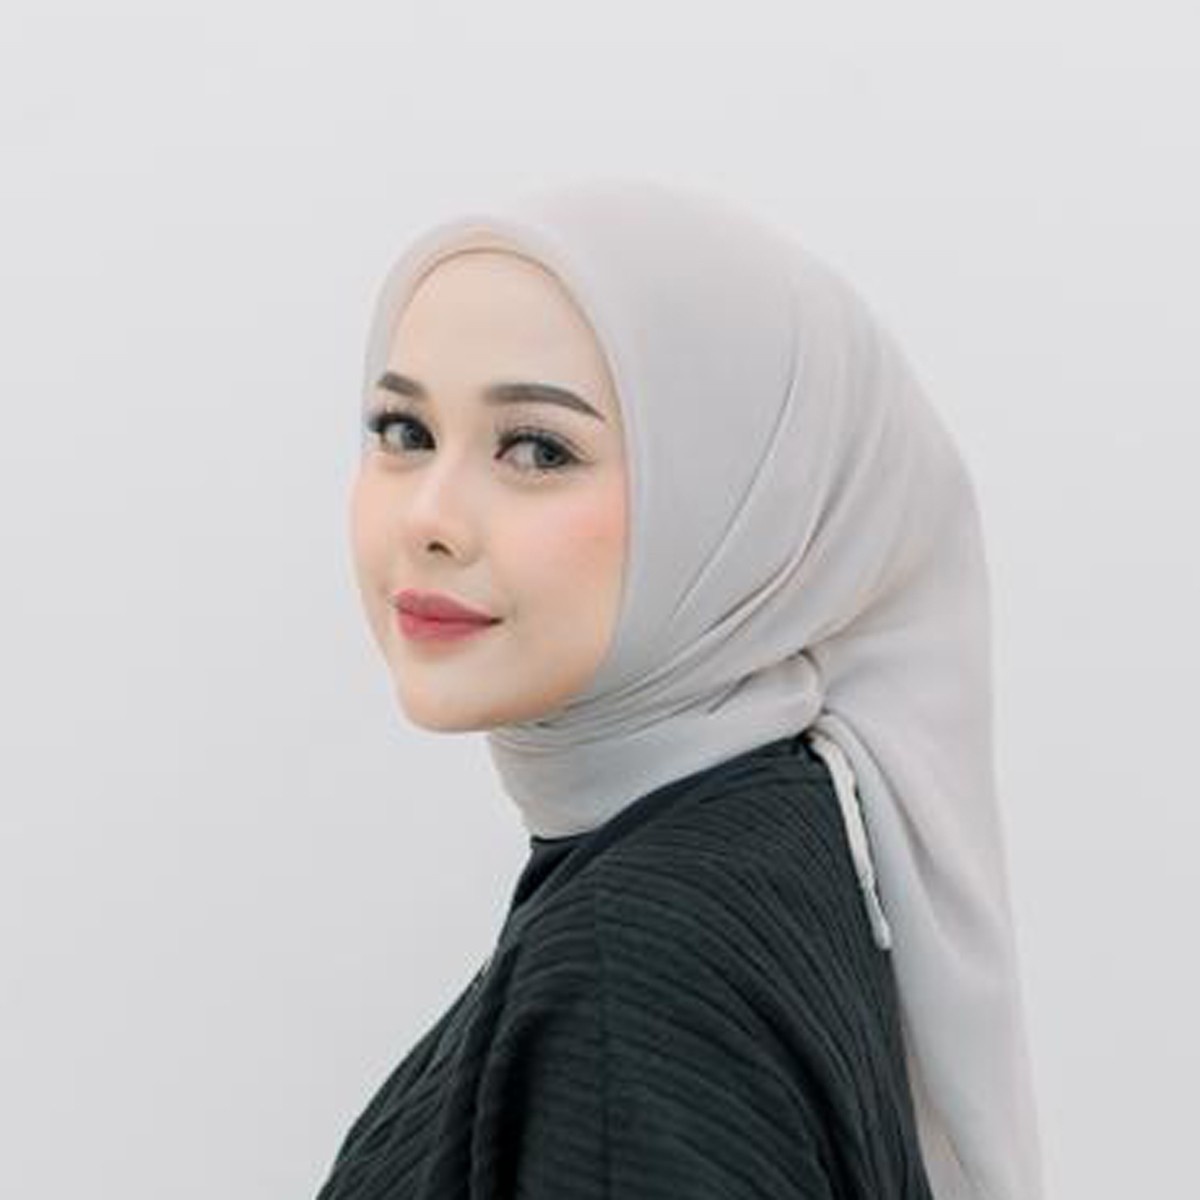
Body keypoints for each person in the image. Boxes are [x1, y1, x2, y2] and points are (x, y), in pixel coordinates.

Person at [314, 177, 1045, 1199]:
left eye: (537, 448)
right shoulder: (777, 822)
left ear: (734, 500)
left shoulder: (635, 974)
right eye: (404, 432)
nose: (430, 517)